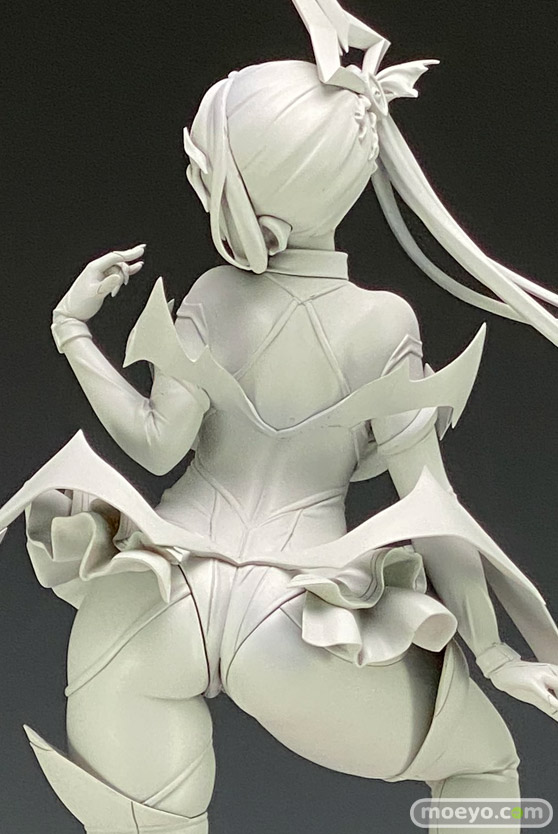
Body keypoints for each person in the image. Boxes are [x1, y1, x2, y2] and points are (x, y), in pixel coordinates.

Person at [2, 2, 558, 832]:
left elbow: (155, 446)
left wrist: (72, 332)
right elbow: (430, 510)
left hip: (157, 597)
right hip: (295, 627)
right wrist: (495, 651)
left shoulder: (213, 295)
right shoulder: (385, 324)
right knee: (483, 765)